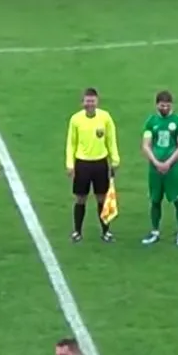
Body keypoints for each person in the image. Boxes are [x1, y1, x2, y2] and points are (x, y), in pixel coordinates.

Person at [65, 87, 120, 243]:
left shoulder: (105, 117)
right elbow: (71, 143)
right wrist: (70, 164)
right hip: (82, 163)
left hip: (100, 163)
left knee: (102, 198)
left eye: (92, 101)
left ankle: (106, 232)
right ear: (82, 102)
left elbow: (111, 139)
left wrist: (115, 159)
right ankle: (77, 231)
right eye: (87, 101)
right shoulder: (76, 119)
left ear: (97, 101)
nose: (89, 104)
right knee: (80, 198)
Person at [140, 90, 178, 247]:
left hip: (173, 168)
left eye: (167, 105)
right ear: (157, 105)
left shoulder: (177, 121)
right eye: (162, 105)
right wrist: (156, 162)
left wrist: (168, 162)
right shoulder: (151, 121)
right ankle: (155, 231)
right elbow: (146, 145)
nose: (165, 108)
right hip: (155, 169)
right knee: (155, 200)